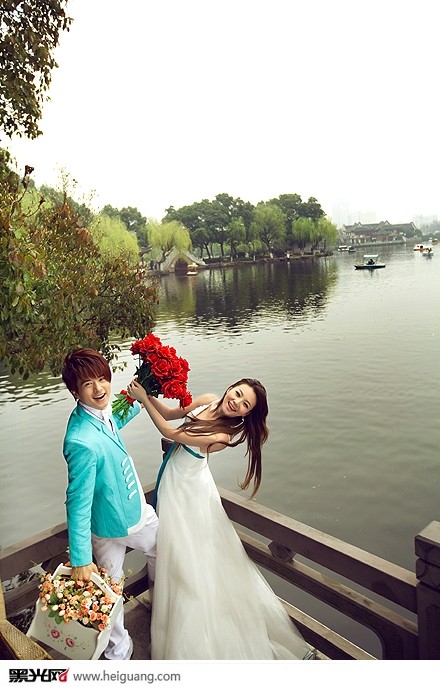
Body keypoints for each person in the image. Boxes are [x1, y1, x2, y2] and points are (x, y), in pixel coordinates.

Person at [126, 376, 315, 660]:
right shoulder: (207, 400)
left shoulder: (222, 438)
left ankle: (196, 628)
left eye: (245, 404)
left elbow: (169, 431)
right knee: (174, 555)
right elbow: (170, 414)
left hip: (189, 494)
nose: (236, 402)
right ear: (230, 388)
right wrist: (148, 391)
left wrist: (142, 399)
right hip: (174, 482)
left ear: (247, 414)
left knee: (187, 558)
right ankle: (173, 612)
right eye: (237, 394)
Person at [61, 348, 159, 661]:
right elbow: (77, 503)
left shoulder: (94, 413)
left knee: (110, 591)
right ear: (75, 391)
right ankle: (160, 607)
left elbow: (113, 421)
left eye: (102, 379)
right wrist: (80, 560)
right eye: (88, 384)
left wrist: (142, 395)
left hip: (102, 525)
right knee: (164, 547)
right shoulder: (80, 441)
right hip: (126, 519)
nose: (99, 388)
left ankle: (118, 652)